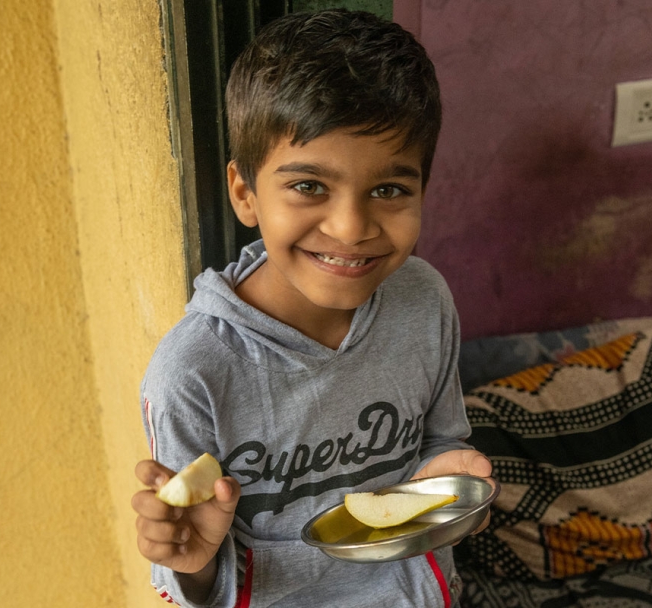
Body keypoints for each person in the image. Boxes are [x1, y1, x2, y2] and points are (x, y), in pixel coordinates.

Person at [131, 9, 492, 608]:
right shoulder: (194, 374)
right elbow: (187, 569)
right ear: (245, 193)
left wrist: (455, 487)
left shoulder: (424, 301)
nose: (351, 228)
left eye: (389, 190)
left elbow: (439, 443)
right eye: (308, 186)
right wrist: (192, 567)